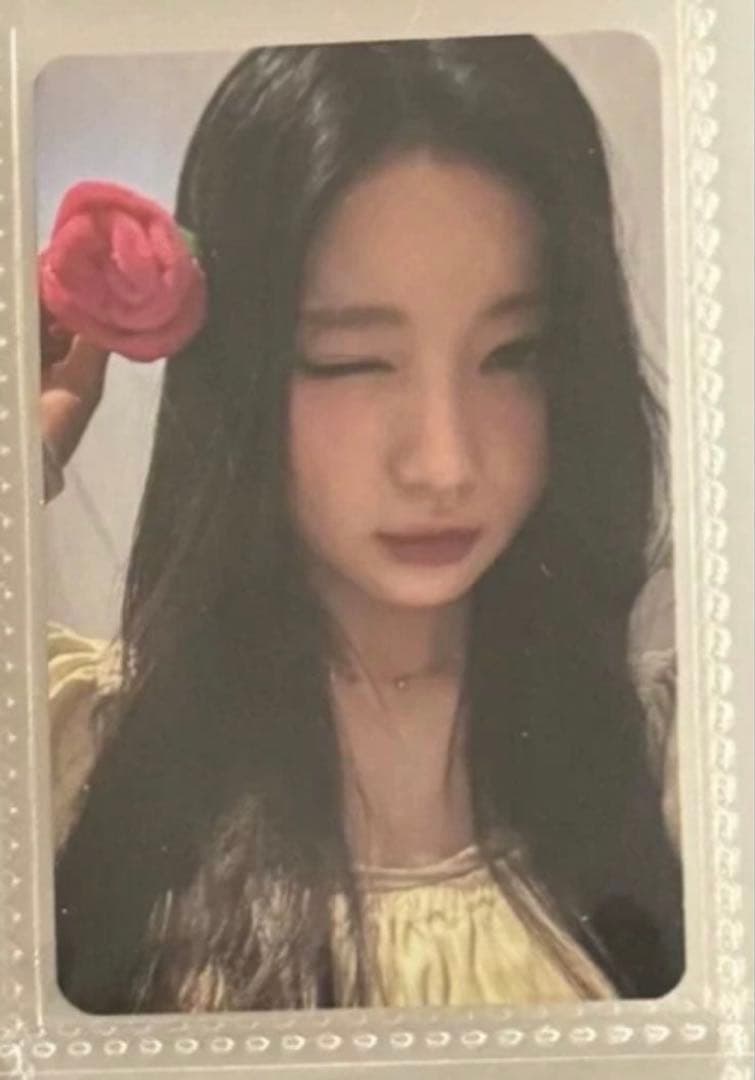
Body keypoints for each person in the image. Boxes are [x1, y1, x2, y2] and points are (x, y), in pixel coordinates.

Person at [41, 35, 683, 1014]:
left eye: (512, 355)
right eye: (353, 362)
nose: (445, 462)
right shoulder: (74, 757)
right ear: (240, 375)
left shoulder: (678, 762)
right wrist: (29, 445)